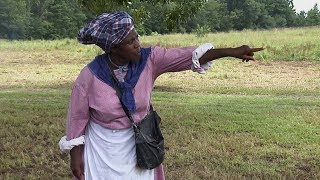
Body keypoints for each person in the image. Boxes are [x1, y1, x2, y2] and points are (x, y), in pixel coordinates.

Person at [58, 11, 263, 180]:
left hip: (138, 145)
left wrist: (232, 51)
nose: (137, 43)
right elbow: (77, 117)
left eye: (136, 37)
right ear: (114, 48)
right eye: (130, 41)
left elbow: (185, 57)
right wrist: (75, 155)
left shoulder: (150, 60)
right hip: (102, 150)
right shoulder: (90, 76)